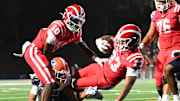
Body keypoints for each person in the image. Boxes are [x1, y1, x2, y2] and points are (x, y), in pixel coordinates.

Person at [13, 4, 104, 101]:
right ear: (66, 16)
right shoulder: (58, 27)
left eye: (79, 21)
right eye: (75, 20)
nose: (77, 24)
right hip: (36, 51)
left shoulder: (76, 32)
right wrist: (41, 70)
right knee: (50, 82)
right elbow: (46, 52)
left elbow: (84, 47)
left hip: (41, 54)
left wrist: (98, 59)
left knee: (51, 82)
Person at [73, 24, 144, 101]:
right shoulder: (120, 41)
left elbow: (129, 84)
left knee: (76, 84)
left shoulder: (134, 58)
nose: (119, 42)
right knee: (76, 75)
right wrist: (101, 40)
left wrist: (117, 100)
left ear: (132, 43)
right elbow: (111, 38)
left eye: (123, 41)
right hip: (102, 66)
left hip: (105, 79)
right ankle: (85, 94)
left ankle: (87, 93)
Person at [139, 0, 180, 100]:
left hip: (175, 48)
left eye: (162, 2)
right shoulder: (155, 15)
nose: (159, 4)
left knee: (168, 73)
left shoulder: (176, 10)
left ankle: (167, 97)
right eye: (158, 2)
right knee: (158, 79)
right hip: (163, 51)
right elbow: (150, 35)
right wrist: (142, 44)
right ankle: (163, 96)